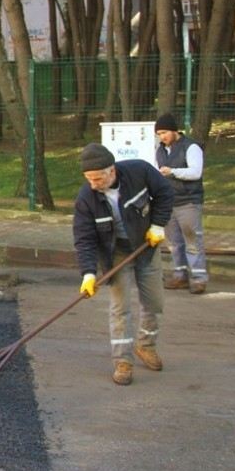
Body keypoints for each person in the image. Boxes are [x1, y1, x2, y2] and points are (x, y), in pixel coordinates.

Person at [73, 143, 174, 386]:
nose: (94, 184)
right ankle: (123, 361)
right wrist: (88, 274)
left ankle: (146, 346)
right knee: (121, 308)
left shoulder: (139, 171)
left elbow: (165, 194)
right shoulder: (86, 199)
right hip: (116, 252)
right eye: (89, 179)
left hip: (146, 246)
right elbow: (84, 239)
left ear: (112, 171)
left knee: (154, 302)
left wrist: (158, 225)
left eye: (98, 178)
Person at [154, 113, 208, 294]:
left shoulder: (191, 147)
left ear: (175, 130)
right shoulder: (160, 150)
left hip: (188, 201)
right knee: (174, 242)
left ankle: (199, 278)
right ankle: (180, 275)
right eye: (159, 134)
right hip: (169, 202)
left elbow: (195, 172)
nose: (162, 137)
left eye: (164, 132)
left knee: (192, 239)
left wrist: (173, 172)